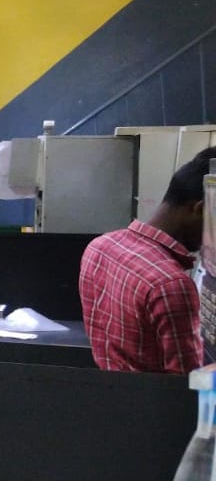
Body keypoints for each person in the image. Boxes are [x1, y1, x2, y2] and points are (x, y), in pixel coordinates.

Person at [79, 146, 216, 373]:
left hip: (112, 390)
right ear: (200, 210)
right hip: (153, 397)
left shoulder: (100, 246)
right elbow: (186, 384)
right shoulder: (171, 285)